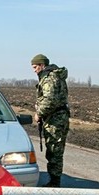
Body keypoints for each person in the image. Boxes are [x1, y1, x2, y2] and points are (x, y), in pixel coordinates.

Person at [31, 54, 70, 187]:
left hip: (55, 120)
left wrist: (39, 113)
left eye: (35, 67)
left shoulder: (49, 79)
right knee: (55, 150)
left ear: (42, 65)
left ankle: (54, 183)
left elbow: (50, 100)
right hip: (56, 117)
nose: (34, 70)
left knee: (54, 151)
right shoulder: (54, 76)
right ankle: (54, 181)